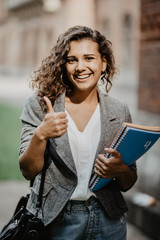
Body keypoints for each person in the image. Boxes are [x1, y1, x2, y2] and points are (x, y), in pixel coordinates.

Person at [19, 25, 137, 240]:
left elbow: (128, 182)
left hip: (109, 221)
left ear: (104, 63)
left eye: (89, 58)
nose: (80, 67)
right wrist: (41, 135)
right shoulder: (41, 105)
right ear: (63, 65)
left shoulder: (120, 110)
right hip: (56, 220)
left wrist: (120, 169)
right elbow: (27, 170)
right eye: (72, 60)